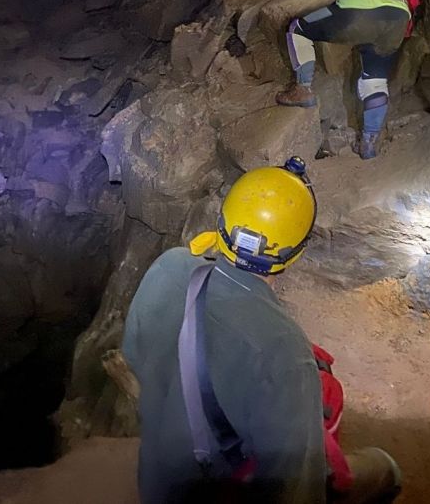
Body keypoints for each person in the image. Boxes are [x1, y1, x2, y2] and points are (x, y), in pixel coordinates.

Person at [123, 158, 402, 503]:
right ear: (294, 253)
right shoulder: (284, 353)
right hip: (214, 492)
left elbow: (134, 356)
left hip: (156, 480)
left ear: (224, 223)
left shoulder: (170, 266)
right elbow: (294, 488)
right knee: (384, 469)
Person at [276, 0, 418, 160]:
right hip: (396, 19)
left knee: (297, 29)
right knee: (374, 80)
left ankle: (302, 89)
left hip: (357, 11)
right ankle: (368, 143)